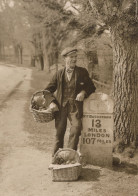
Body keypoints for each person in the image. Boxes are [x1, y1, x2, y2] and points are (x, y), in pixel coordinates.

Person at [43, 47, 96, 157]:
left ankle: (70, 157)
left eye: (75, 57)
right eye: (71, 57)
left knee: (76, 130)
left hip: (75, 108)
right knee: (59, 133)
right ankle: (57, 158)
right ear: (65, 59)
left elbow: (91, 87)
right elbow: (47, 91)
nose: (74, 59)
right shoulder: (58, 74)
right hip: (61, 107)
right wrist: (51, 102)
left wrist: (83, 92)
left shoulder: (82, 72)